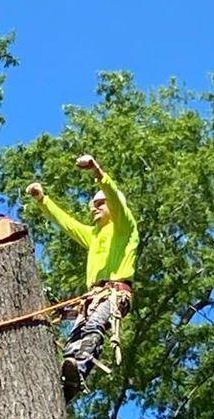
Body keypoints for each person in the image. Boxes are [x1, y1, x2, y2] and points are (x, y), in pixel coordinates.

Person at [26, 155, 138, 402]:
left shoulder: (124, 228)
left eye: (100, 203)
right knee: (74, 339)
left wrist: (97, 172)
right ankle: (69, 382)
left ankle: (80, 368)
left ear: (113, 205)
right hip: (93, 297)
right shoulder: (94, 235)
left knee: (94, 326)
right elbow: (67, 224)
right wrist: (42, 200)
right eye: (93, 205)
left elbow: (112, 194)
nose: (94, 208)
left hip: (114, 293)